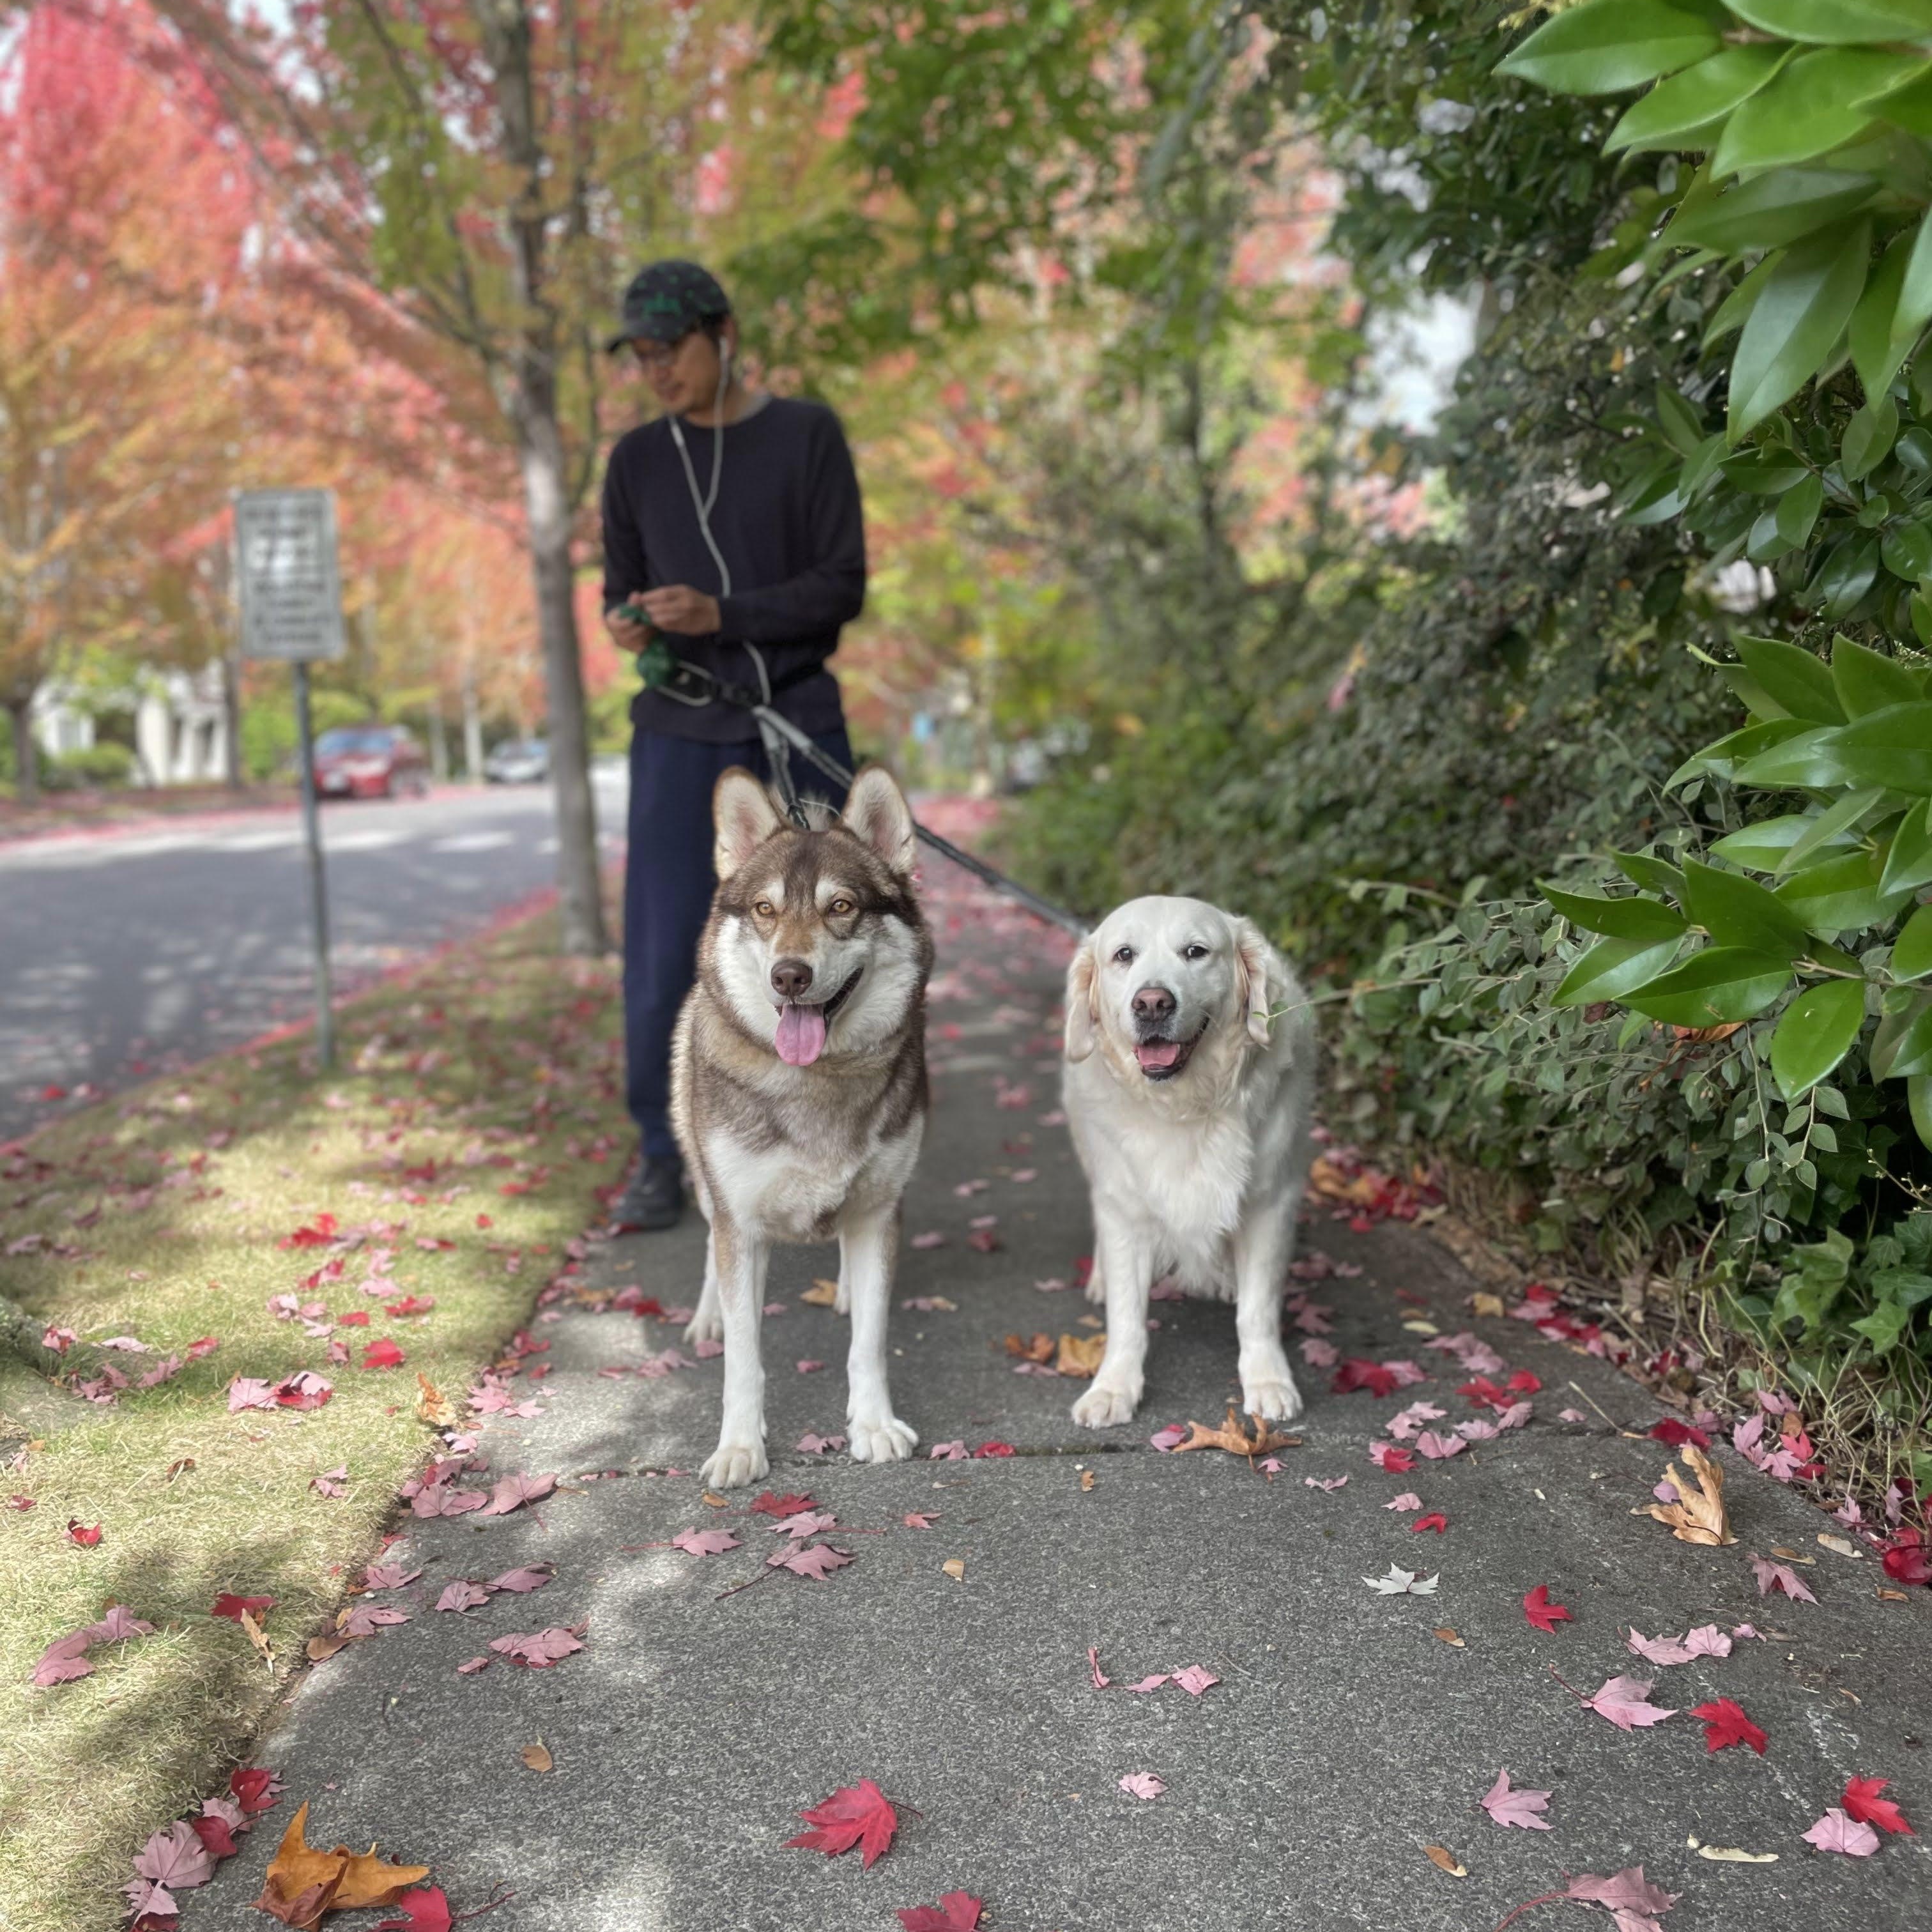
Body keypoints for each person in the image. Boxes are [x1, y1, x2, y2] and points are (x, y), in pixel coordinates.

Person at [600, 259, 866, 1231]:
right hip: (679, 730)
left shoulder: (805, 436)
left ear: (723, 333)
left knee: (821, 936)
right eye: (640, 355)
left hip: (795, 720)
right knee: (669, 943)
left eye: (670, 348)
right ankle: (663, 1154)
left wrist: (725, 612)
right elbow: (617, 593)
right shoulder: (634, 461)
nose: (655, 368)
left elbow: (843, 585)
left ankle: (828, 1136)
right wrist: (630, 623)